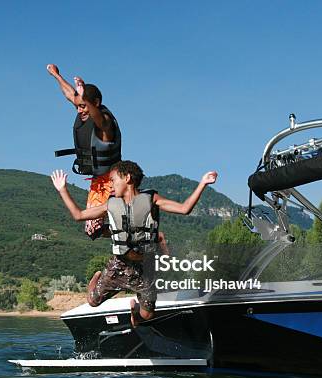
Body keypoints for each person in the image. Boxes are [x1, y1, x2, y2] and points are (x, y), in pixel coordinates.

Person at [51, 160, 217, 327]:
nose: (110, 185)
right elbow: (78, 215)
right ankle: (96, 278)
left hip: (145, 268)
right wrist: (62, 189)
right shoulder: (111, 204)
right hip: (119, 265)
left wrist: (203, 183)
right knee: (92, 301)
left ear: (127, 178)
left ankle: (136, 313)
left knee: (148, 314)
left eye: (113, 180)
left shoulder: (151, 199)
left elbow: (184, 208)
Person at [47, 64, 121, 240]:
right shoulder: (84, 111)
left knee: (107, 225)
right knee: (92, 231)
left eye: (83, 106)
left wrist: (85, 93)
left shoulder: (105, 124)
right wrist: (56, 75)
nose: (79, 110)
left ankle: (136, 235)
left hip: (113, 182)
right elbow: (69, 95)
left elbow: (96, 114)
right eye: (78, 106)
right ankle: (126, 233)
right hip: (97, 181)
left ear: (94, 103)